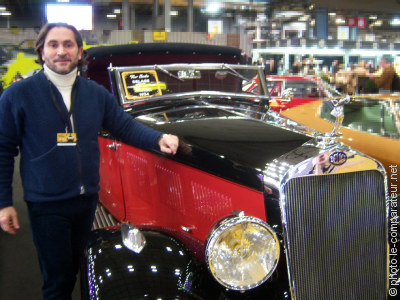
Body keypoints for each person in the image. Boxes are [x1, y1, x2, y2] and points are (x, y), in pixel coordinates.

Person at [0, 23, 179, 300]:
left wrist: (158, 139)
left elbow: (125, 126)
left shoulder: (95, 94)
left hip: (87, 203)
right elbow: (3, 149)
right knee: (57, 281)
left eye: (68, 45)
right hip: (47, 205)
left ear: (79, 51)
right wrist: (4, 203)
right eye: (53, 45)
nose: (61, 51)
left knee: (80, 270)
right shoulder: (18, 95)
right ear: (41, 51)